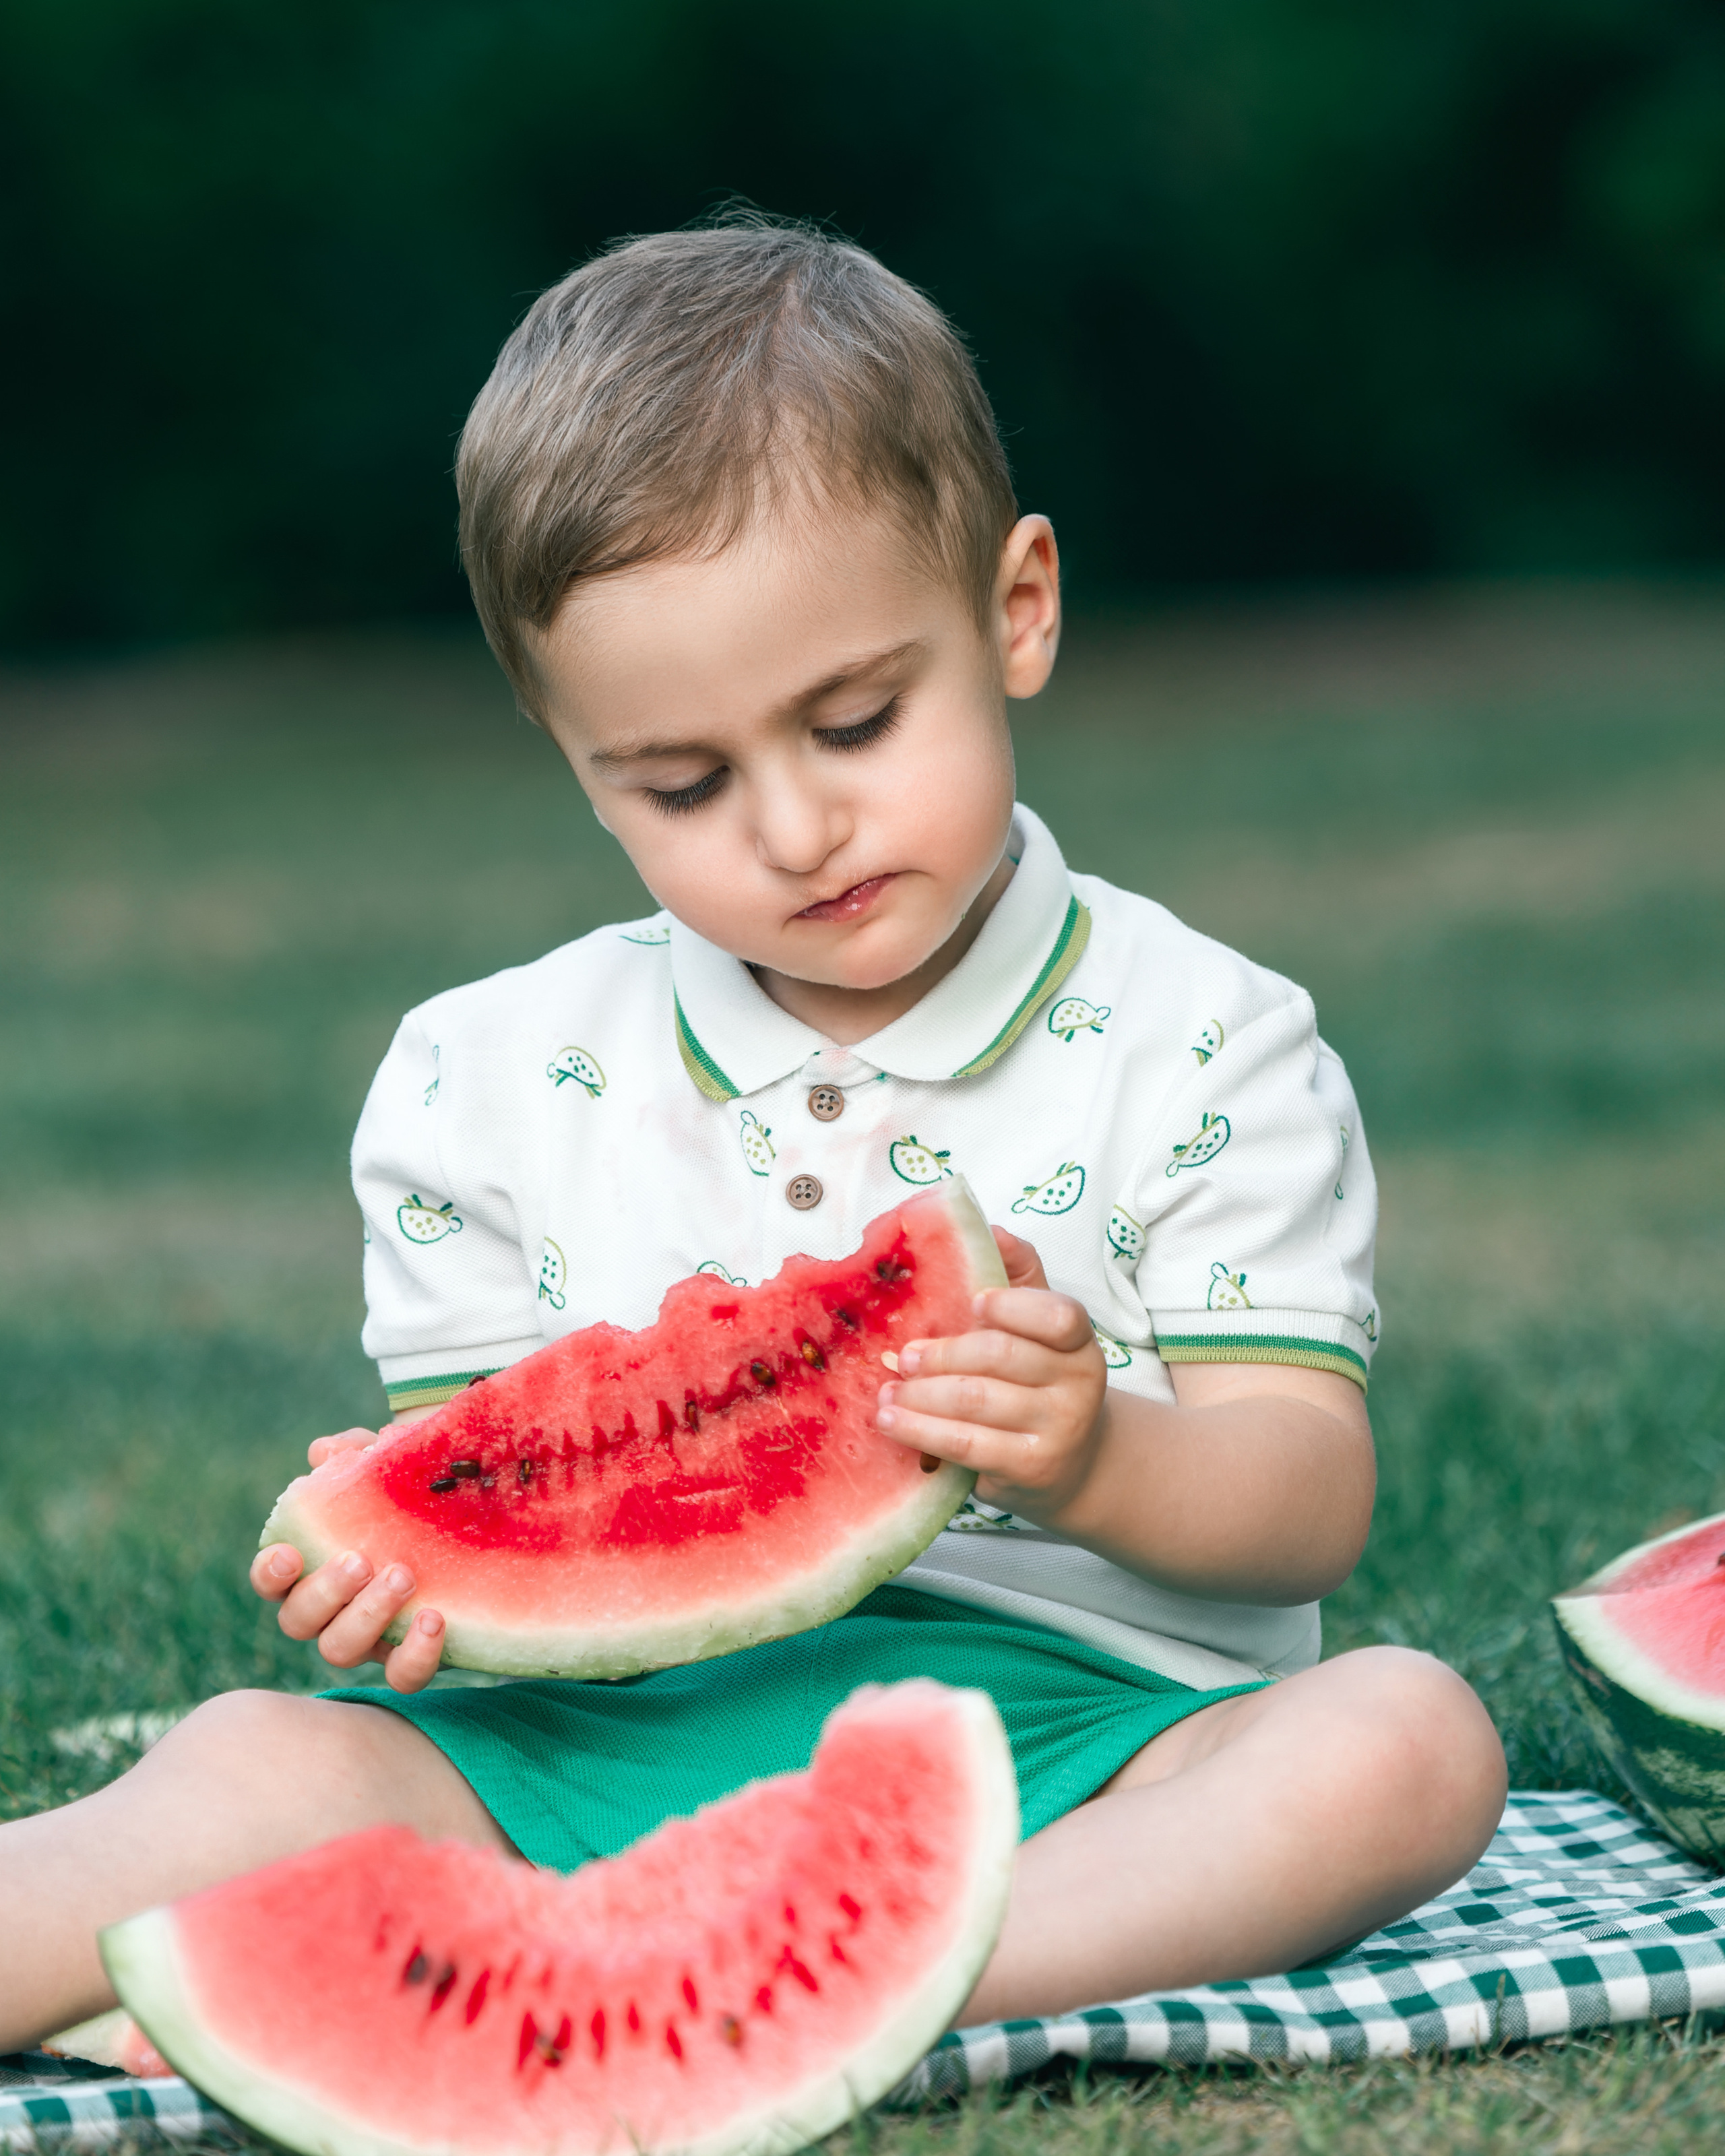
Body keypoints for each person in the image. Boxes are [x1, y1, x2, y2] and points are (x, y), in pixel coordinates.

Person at [0, 219, 1505, 2056]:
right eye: (684, 784)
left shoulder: (1208, 1042)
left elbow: (1302, 1501)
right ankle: (444, 1934)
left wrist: (1094, 1450)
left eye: (857, 721)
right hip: (597, 1739)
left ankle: (853, 1974)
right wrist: (399, 1569)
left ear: (1016, 610)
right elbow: (502, 1498)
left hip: (1091, 1729)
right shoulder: (484, 1075)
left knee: (1405, 1744)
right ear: (575, 755)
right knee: (248, 1764)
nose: (794, 831)